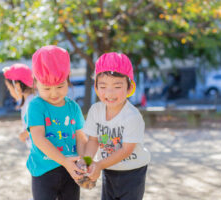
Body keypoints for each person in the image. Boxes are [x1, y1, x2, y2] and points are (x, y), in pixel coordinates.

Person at [82, 52, 151, 200]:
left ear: (128, 87)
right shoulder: (95, 111)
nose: (109, 92)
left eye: (117, 86)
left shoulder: (132, 116)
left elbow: (126, 150)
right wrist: (87, 162)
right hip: (109, 169)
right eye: (103, 86)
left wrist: (99, 165)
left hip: (133, 171)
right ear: (96, 87)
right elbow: (93, 141)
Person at [26, 45, 87, 200]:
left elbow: (81, 137)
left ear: (68, 78)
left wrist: (82, 161)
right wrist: (64, 161)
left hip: (71, 170)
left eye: (60, 86)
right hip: (43, 171)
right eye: (46, 88)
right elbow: (38, 139)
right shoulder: (36, 106)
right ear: (36, 82)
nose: (54, 93)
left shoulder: (73, 107)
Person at [3, 63, 35, 148]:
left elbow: (37, 124)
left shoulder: (31, 102)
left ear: (17, 86)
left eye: (10, 89)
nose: (10, 93)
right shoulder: (28, 100)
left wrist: (24, 134)